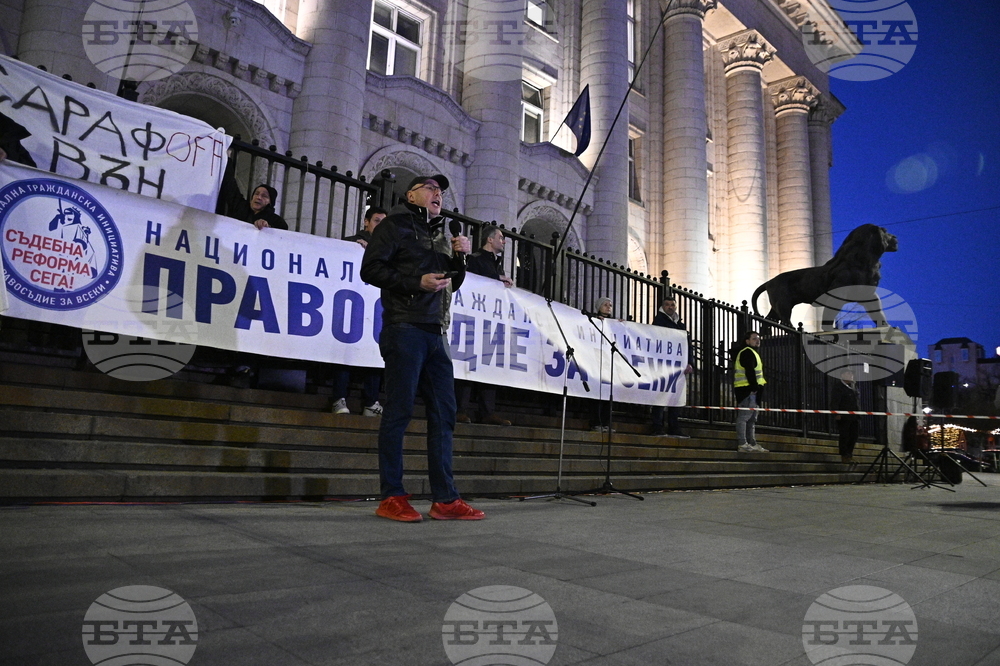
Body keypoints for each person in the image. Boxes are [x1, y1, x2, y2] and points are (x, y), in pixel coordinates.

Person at [360, 174, 485, 522]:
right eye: (430, 188)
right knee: (398, 411)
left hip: (436, 332)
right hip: (404, 326)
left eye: (440, 190)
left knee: (444, 413)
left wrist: (460, 259)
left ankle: (445, 499)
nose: (437, 194)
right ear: (411, 195)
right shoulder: (394, 226)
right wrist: (416, 282)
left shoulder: (442, 234)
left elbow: (451, 284)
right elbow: (370, 270)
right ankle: (392, 496)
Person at [330, 207, 388, 416]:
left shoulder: (389, 247)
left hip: (375, 309)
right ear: (366, 222)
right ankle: (339, 399)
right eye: (377, 221)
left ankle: (371, 402)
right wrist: (353, 247)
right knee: (345, 353)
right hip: (350, 307)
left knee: (373, 355)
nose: (380, 226)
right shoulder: (352, 242)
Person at [456, 226, 512, 426]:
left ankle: (487, 411)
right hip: (474, 320)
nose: (503, 241)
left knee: (489, 365)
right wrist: (498, 280)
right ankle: (459, 409)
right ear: (490, 239)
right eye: (501, 237)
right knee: (468, 362)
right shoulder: (475, 259)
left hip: (491, 321)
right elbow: (471, 282)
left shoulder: (497, 264)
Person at [650, 295, 694, 437]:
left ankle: (674, 427)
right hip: (663, 365)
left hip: (678, 367)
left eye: (672, 305)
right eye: (667, 304)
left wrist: (690, 362)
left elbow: (687, 345)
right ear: (662, 307)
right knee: (660, 396)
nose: (670, 307)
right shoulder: (659, 321)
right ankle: (657, 426)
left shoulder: (680, 324)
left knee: (675, 397)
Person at [733, 330, 768, 453]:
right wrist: (754, 388)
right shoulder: (747, 352)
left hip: (752, 391)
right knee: (744, 417)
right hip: (747, 391)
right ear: (747, 341)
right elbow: (750, 371)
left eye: (758, 338)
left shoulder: (751, 352)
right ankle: (743, 443)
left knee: (752, 419)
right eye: (754, 338)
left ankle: (751, 443)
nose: (757, 340)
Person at [590, 296, 615, 432]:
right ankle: (596, 422)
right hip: (596, 362)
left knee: (607, 395)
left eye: (610, 305)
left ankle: (606, 423)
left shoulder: (613, 323)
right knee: (596, 395)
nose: (608, 307)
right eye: (605, 305)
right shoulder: (592, 320)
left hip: (608, 363)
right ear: (599, 307)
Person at [831, 369, 860, 464]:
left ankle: (849, 454)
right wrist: (836, 413)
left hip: (854, 416)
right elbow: (835, 401)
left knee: (854, 435)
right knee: (845, 435)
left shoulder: (853, 387)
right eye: (848, 373)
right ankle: (844, 455)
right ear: (842, 375)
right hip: (844, 417)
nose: (851, 375)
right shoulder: (838, 387)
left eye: (852, 373)